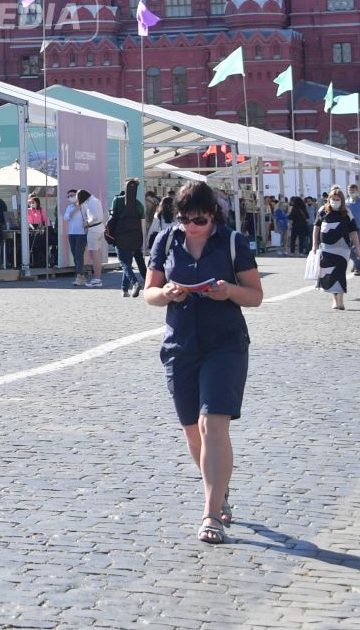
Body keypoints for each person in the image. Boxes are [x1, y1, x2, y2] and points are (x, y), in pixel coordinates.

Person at [141, 181, 264, 545]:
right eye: (183, 219)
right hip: (180, 344)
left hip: (224, 343)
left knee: (213, 423)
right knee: (192, 430)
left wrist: (228, 291)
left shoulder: (232, 242)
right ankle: (220, 489)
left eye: (198, 220)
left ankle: (212, 514)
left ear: (213, 215)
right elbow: (150, 292)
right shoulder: (166, 240)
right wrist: (164, 293)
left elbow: (255, 295)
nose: (191, 226)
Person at [312, 190, 360, 311]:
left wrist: (358, 248)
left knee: (340, 273)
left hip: (342, 249)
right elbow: (316, 228)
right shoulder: (322, 210)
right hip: (326, 248)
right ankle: (334, 299)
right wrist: (314, 244)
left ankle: (340, 300)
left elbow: (353, 231)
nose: (335, 201)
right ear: (328, 199)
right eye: (333, 199)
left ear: (342, 200)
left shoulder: (347, 212)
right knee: (329, 274)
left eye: (338, 199)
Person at [110, 184, 148, 296]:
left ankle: (135, 283)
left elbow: (111, 218)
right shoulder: (138, 204)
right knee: (133, 261)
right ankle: (124, 289)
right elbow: (142, 223)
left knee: (124, 263)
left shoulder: (116, 200)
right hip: (135, 238)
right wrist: (142, 239)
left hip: (120, 236)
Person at [79, 188, 108, 288]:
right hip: (99, 228)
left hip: (94, 230)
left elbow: (95, 217)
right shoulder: (95, 200)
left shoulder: (92, 202)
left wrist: (87, 223)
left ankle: (97, 279)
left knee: (94, 256)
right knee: (97, 256)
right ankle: (97, 278)